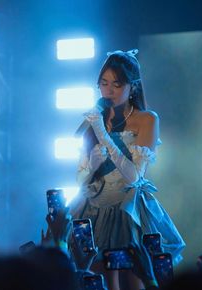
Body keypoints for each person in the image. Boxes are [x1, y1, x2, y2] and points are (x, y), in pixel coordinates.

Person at [69, 49, 185, 290]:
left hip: (127, 210)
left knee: (131, 279)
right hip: (92, 209)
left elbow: (135, 176)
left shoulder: (147, 119)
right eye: (103, 84)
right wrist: (93, 165)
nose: (108, 91)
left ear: (132, 87)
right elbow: (80, 180)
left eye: (116, 84)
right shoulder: (94, 120)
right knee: (95, 279)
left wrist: (102, 133)